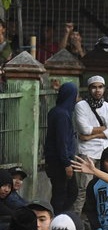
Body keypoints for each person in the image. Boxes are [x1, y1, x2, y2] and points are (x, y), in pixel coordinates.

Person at [74, 75, 108, 212]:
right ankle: (76, 219)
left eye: (100, 87)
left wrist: (92, 135)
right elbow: (83, 129)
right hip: (87, 152)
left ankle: (100, 218)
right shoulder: (81, 106)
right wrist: (103, 128)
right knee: (83, 188)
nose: (97, 90)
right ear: (89, 89)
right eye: (94, 87)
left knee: (103, 187)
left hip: (104, 151)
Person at [43, 82, 79, 213]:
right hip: (60, 161)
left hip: (57, 159)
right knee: (64, 193)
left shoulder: (57, 111)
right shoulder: (62, 115)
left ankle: (58, 218)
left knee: (66, 192)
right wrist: (66, 163)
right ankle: (55, 219)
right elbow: (61, 141)